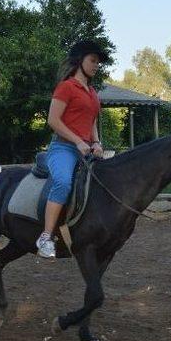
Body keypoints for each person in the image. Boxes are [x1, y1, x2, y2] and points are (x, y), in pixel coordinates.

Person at [35, 41, 108, 258]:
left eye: (98, 62)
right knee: (63, 182)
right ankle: (46, 237)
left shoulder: (92, 92)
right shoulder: (66, 87)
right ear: (80, 61)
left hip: (86, 149)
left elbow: (91, 120)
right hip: (63, 148)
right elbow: (53, 120)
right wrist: (78, 141)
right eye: (92, 60)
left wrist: (96, 142)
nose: (96, 65)